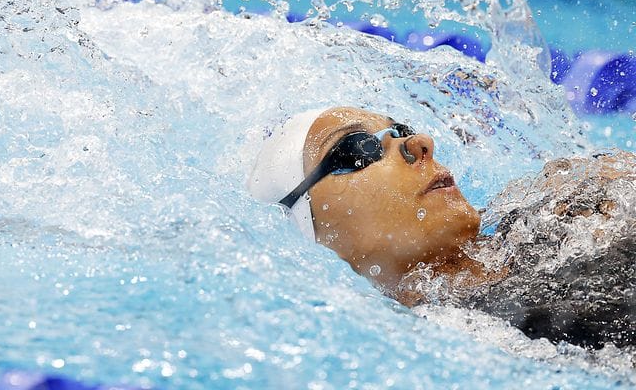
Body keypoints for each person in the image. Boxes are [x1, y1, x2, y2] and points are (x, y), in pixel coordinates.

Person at [248, 107, 635, 350]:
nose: (420, 143)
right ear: (315, 240)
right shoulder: (481, 334)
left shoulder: (546, 221)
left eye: (402, 130)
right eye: (358, 147)